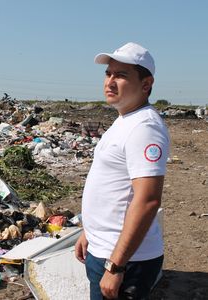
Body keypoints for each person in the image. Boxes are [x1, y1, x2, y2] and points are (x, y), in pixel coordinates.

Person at [75, 42, 169, 299]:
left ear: (146, 84)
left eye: (121, 75)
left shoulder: (144, 128)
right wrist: (90, 233)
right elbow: (115, 187)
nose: (110, 82)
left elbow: (148, 200)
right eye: (108, 74)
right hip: (104, 249)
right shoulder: (125, 119)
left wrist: (116, 265)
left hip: (127, 260)